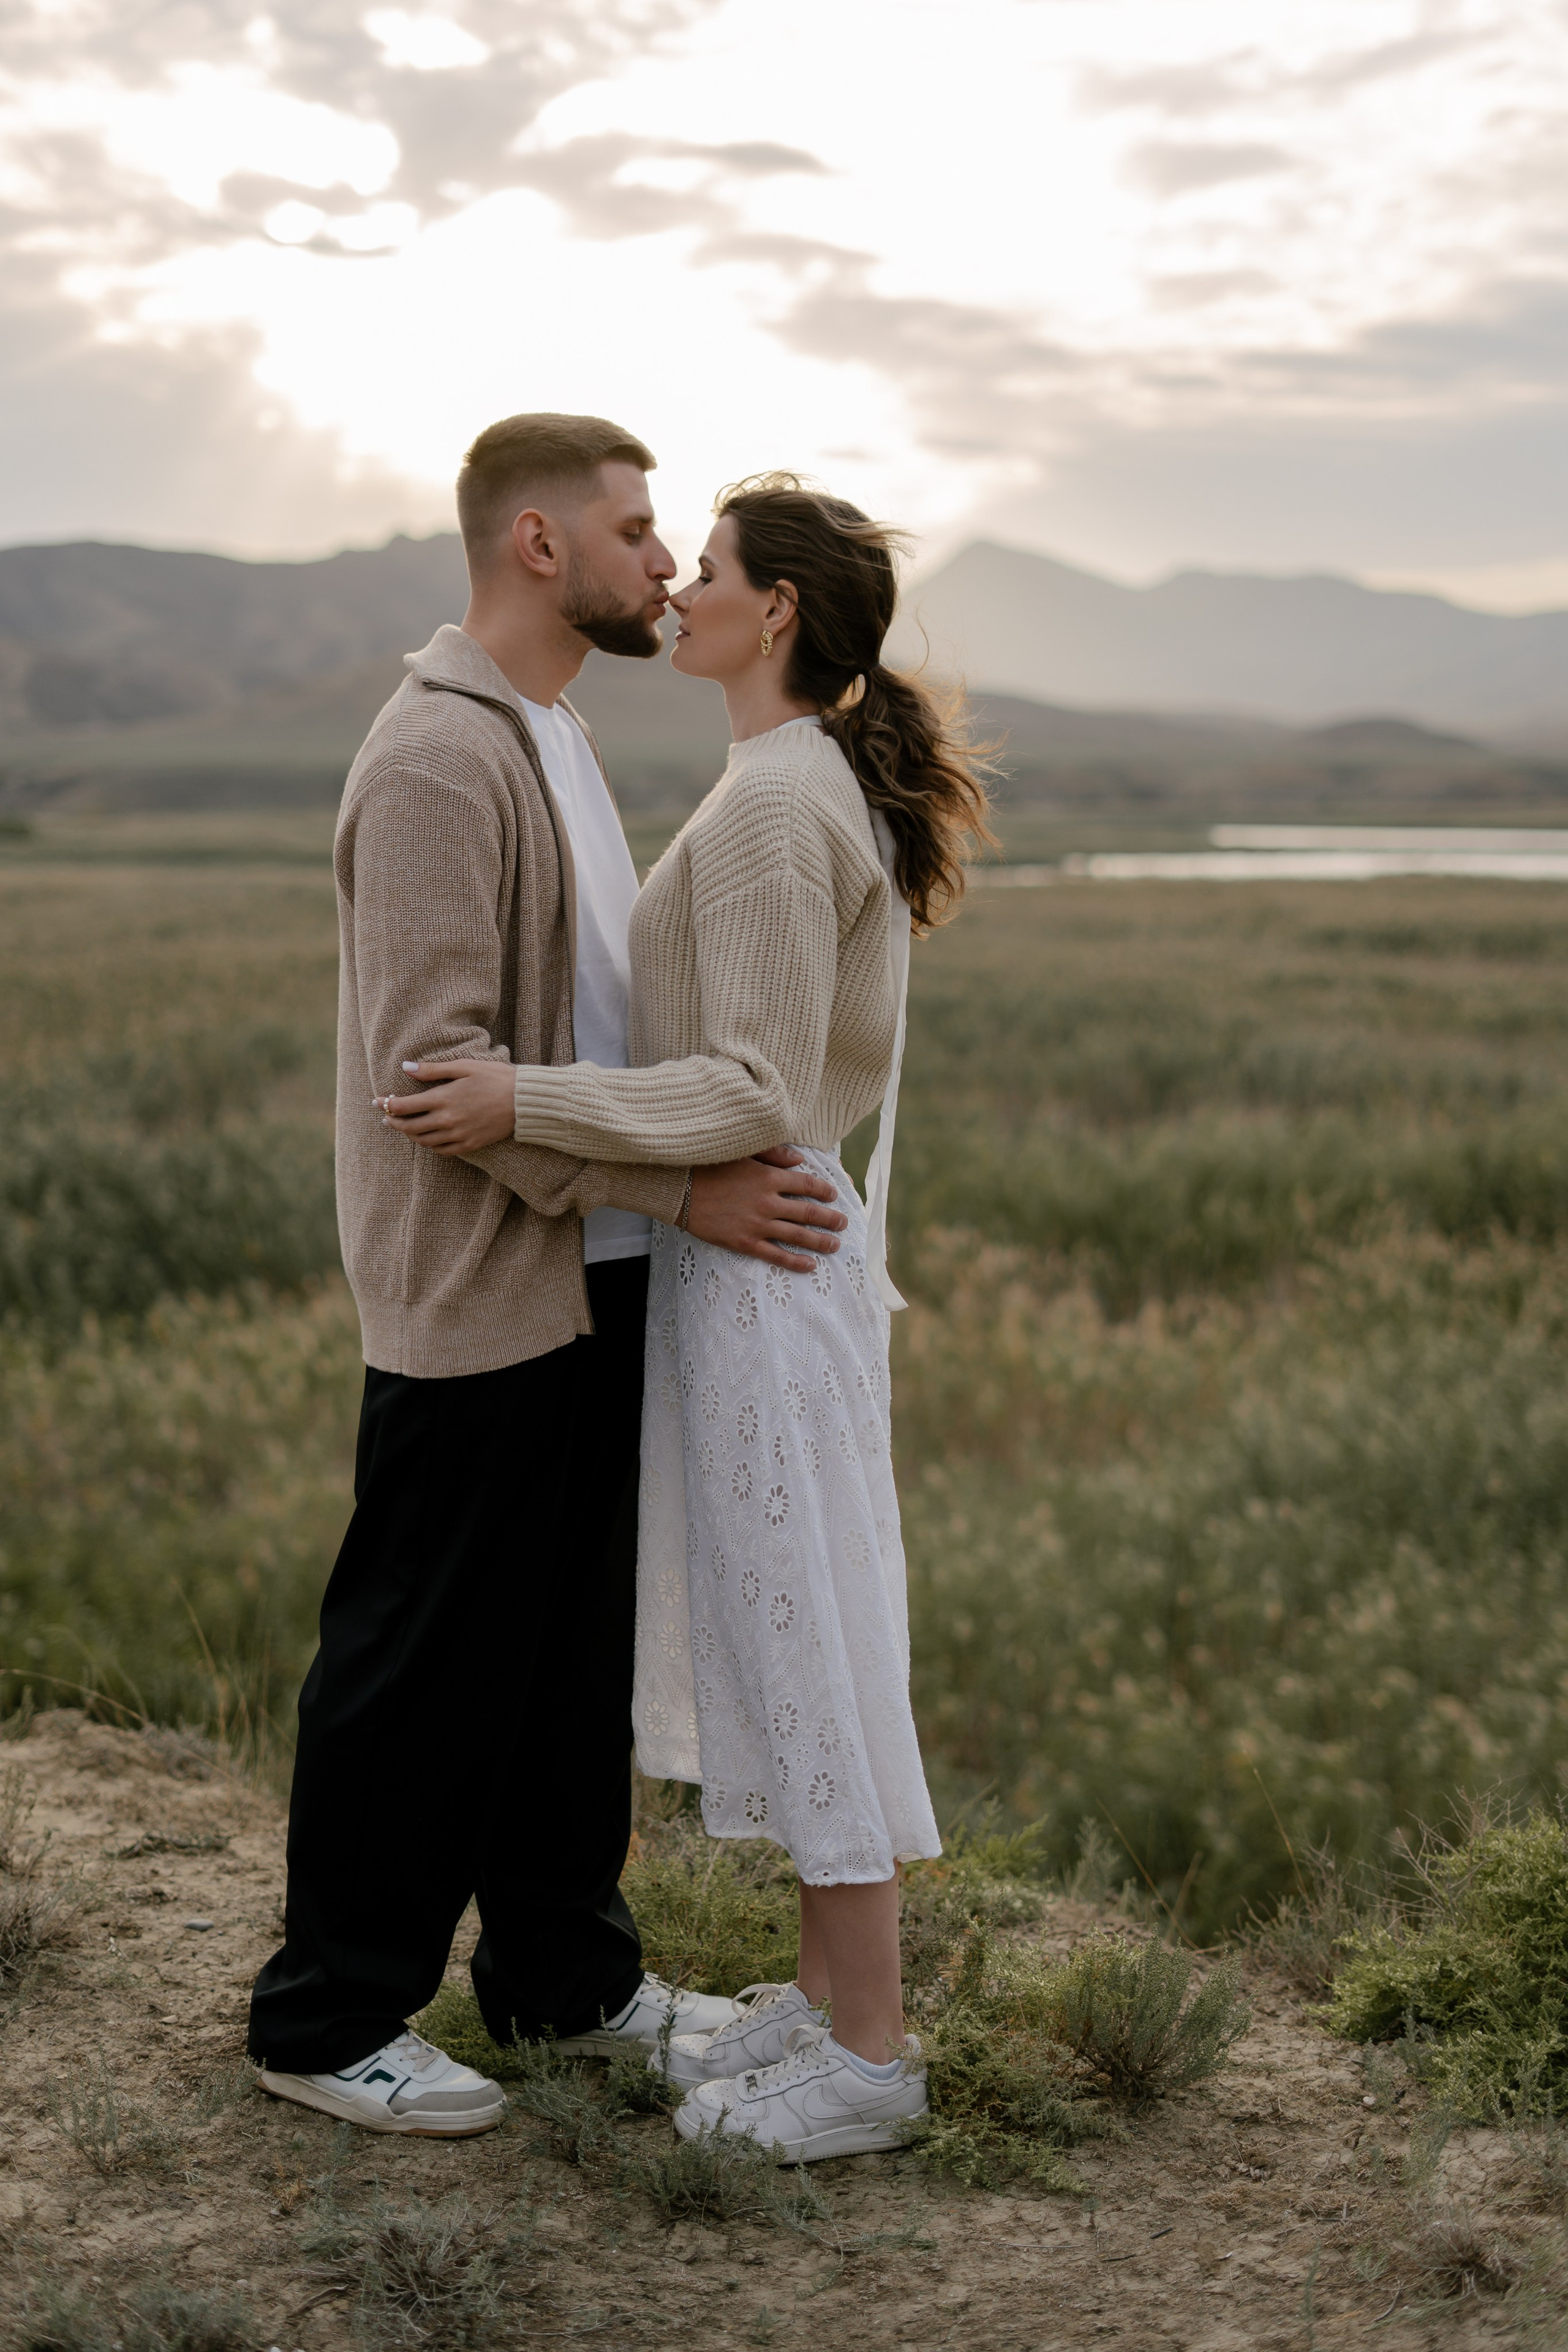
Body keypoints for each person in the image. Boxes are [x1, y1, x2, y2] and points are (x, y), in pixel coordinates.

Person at [247, 418, 850, 2137]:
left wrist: (669, 1198)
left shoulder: (558, 734)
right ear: (537, 544)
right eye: (639, 530)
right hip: (479, 1290)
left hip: (594, 1274)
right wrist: (688, 1186)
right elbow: (441, 1085)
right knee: (418, 1661)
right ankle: (328, 2014)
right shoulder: (441, 760)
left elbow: (570, 1037)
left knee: (562, 1663)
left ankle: (564, 1981)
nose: (666, 565)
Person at [381, 472, 992, 2160]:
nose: (675, 588)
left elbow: (756, 1088)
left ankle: (866, 2057)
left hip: (766, 1265)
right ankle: (826, 2002)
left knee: (808, 1635)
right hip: (752, 1268)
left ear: (773, 610)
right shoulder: (773, 782)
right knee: (791, 1621)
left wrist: (528, 1101)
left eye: (703, 566)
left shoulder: (781, 804)